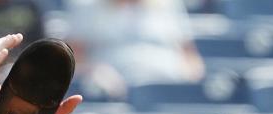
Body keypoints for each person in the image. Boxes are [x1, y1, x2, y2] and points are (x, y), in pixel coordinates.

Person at [65, 0, 204, 100]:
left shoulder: (169, 4)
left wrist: (188, 82)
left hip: (167, 91)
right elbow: (72, 59)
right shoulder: (86, 5)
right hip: (111, 95)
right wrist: (94, 71)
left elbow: (190, 56)